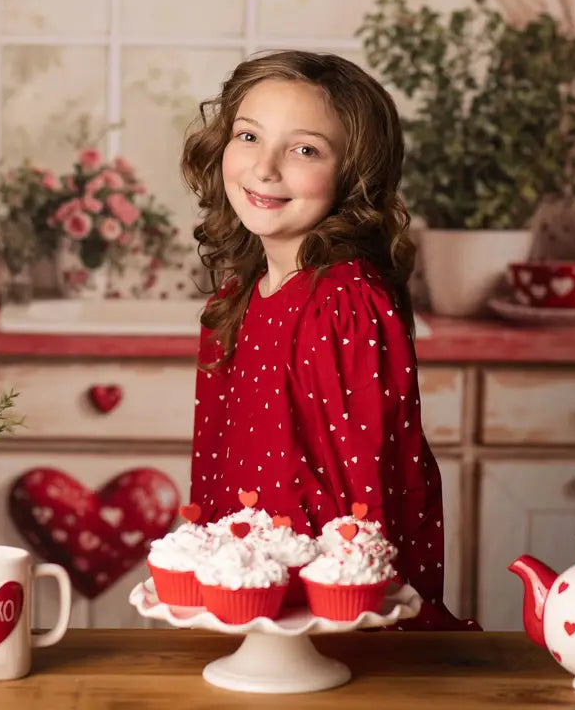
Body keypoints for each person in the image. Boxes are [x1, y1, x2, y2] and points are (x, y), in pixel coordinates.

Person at [181, 50, 478, 631]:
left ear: (353, 175)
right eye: (248, 136)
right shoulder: (235, 300)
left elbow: (362, 487)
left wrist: (337, 613)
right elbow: (213, 471)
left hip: (328, 615)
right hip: (253, 597)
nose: (265, 169)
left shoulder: (345, 305)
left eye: (304, 150)